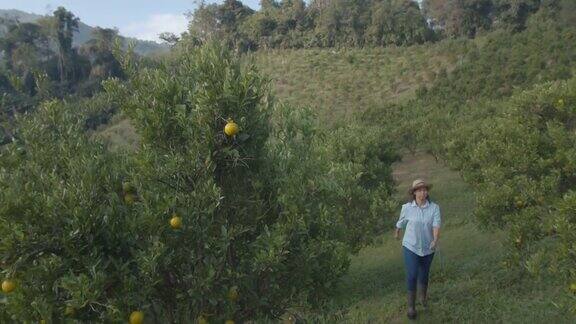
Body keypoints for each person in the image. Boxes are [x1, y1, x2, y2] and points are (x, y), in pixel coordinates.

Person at [394, 179, 441, 320]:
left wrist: (435, 240)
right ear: (414, 193)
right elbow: (401, 222)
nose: (423, 192)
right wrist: (397, 231)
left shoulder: (434, 208)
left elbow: (436, 225)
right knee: (412, 274)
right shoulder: (407, 208)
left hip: (428, 247)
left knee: (424, 274)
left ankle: (423, 298)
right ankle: (411, 307)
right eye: (420, 190)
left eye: (425, 189)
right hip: (411, 246)